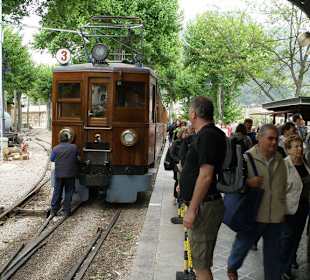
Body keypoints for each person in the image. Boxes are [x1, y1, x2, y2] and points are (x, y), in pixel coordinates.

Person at [227, 124, 287, 280]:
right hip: (253, 214)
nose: (274, 142)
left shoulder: (281, 160)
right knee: (242, 246)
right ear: (260, 138)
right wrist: (247, 183)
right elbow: (232, 184)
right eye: (270, 138)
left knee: (273, 257)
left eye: (276, 139)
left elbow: (284, 187)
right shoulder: (247, 158)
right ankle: (232, 266)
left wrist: (283, 211)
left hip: (275, 217)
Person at [180, 96, 226, 280]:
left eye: (189, 111)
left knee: (201, 265)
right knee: (200, 261)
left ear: (194, 113)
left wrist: (192, 209)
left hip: (204, 207)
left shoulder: (207, 136)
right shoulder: (212, 134)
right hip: (205, 205)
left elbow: (206, 175)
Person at [280, 134, 310, 280]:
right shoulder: (284, 165)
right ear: (288, 150)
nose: (300, 149)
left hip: (303, 207)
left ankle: (291, 260)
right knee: (287, 239)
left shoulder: (304, 162)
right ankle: (283, 268)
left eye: (301, 146)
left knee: (297, 237)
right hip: (288, 209)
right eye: (296, 147)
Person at [50, 131, 79, 217]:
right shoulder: (74, 147)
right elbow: (77, 158)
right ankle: (66, 211)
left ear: (59, 139)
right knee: (68, 191)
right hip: (70, 174)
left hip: (59, 174)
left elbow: (52, 159)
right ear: (68, 139)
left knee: (57, 191)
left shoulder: (55, 148)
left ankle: (53, 210)